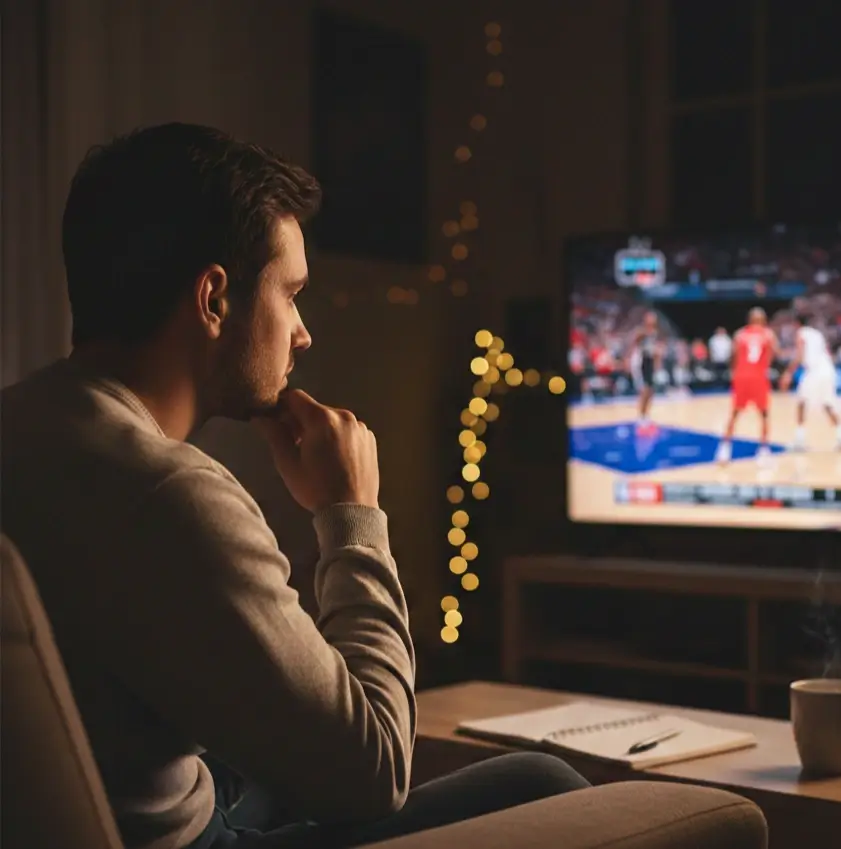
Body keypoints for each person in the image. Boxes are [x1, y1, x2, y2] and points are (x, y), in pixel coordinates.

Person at [0, 123, 589, 849]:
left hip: (140, 801)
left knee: (248, 768)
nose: (302, 333)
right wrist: (352, 515)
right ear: (214, 298)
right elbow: (372, 774)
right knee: (541, 785)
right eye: (291, 293)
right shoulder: (171, 495)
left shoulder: (22, 424)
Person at [716, 308, 776, 465]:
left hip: (741, 377)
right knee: (764, 415)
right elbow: (770, 357)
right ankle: (763, 449)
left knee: (734, 414)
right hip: (758, 378)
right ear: (763, 320)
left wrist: (735, 375)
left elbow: (733, 357)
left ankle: (725, 449)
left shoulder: (739, 334)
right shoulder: (768, 335)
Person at [779, 314, 841, 451]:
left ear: (796, 324)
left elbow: (800, 356)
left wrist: (788, 373)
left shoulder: (801, 333)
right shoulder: (817, 334)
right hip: (828, 369)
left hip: (815, 371)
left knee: (801, 403)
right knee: (828, 405)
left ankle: (799, 440)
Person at [629, 310, 662, 433]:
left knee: (651, 391)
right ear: (645, 319)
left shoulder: (655, 333)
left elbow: (655, 350)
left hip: (649, 362)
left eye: (654, 318)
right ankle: (640, 418)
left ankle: (646, 416)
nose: (652, 320)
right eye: (650, 318)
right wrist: (629, 360)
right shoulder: (641, 332)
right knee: (644, 390)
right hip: (639, 362)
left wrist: (657, 361)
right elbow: (634, 344)